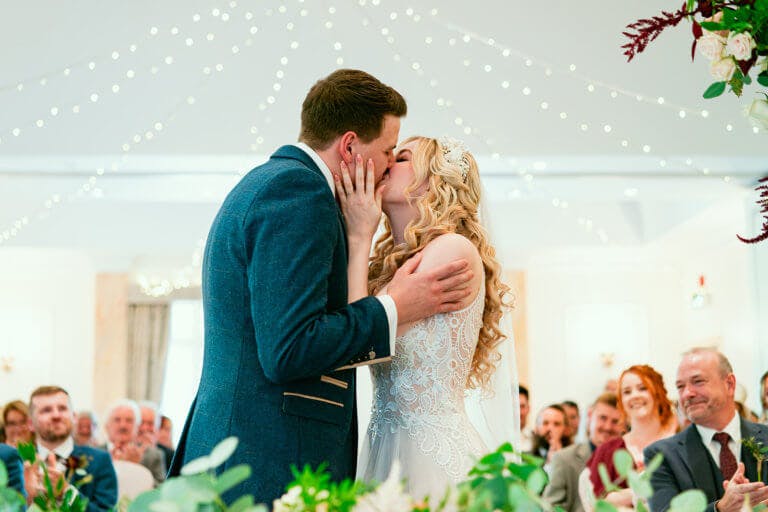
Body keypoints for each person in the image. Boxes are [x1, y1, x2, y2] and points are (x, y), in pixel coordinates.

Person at [169, 69, 474, 504]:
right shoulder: (299, 192)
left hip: (252, 450)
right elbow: (289, 349)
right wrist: (395, 307)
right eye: (388, 150)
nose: (390, 163)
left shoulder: (278, 185)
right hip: (264, 458)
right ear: (350, 145)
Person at [336, 135, 515, 502]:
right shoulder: (392, 268)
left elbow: (360, 341)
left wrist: (360, 237)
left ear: (431, 181)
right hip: (387, 445)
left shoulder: (451, 249)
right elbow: (356, 326)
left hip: (430, 455)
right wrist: (361, 237)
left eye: (401, 158)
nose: (387, 163)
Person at [645, 348, 768, 512]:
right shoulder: (660, 456)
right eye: (680, 386)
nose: (687, 393)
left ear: (729, 384)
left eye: (698, 381)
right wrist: (721, 508)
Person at [585, 365, 676, 509]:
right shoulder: (608, 450)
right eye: (627, 392)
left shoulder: (680, 443)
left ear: (657, 392)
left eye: (642, 388)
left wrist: (622, 497)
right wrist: (642, 493)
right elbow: (599, 503)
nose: (634, 395)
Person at [25, 386, 117, 511]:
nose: (56, 415)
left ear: (74, 417)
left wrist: (65, 493)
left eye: (62, 408)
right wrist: (27, 499)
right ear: (30, 424)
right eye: (46, 410)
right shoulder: (17, 462)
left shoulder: (99, 461)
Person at [543, 393, 623, 512]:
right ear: (590, 417)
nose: (607, 427)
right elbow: (551, 507)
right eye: (603, 418)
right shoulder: (564, 459)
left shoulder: (629, 461)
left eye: (615, 421)